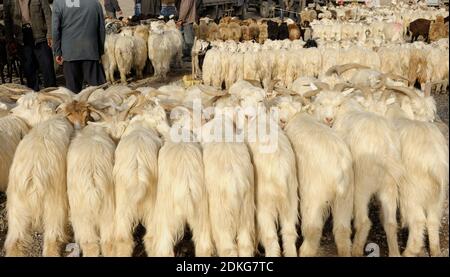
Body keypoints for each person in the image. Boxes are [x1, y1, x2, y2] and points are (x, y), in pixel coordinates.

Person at [52, 0, 106, 93]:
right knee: (97, 91)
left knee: (73, 93)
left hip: (69, 53)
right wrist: (100, 51)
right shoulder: (95, 3)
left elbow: (55, 30)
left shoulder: (59, 3)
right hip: (90, 51)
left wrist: (57, 51)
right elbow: (101, 29)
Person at [3, 0, 56, 91]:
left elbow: (48, 15)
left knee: (47, 68)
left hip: (40, 36)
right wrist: (10, 40)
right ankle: (34, 97)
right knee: (29, 70)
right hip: (22, 38)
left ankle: (52, 94)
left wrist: (50, 35)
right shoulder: (8, 1)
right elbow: (7, 20)